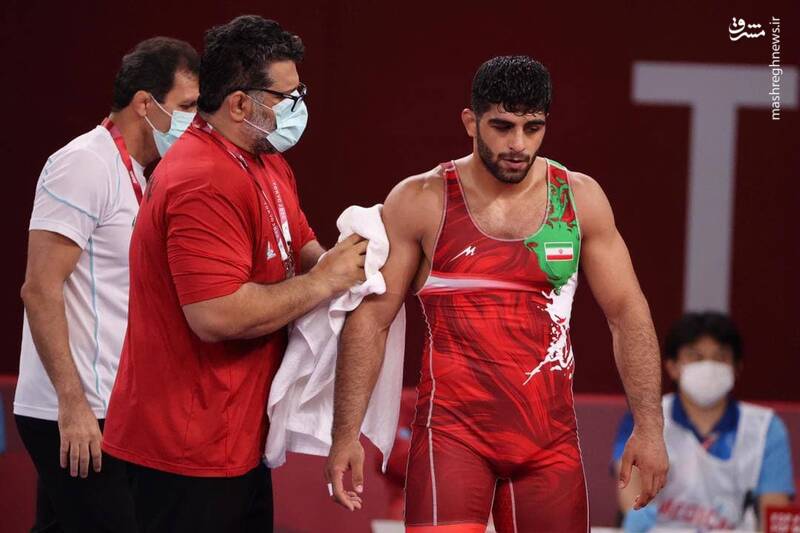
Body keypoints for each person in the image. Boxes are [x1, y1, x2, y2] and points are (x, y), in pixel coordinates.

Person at [326, 55, 669, 532]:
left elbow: (627, 313)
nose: (518, 144)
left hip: (549, 443)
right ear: (471, 122)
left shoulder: (579, 199)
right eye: (502, 126)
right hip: (451, 437)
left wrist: (649, 427)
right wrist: (345, 434)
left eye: (533, 128)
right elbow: (372, 320)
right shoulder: (422, 200)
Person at [102, 15, 367, 533]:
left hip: (237, 438)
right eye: (286, 97)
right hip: (183, 450)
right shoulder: (201, 178)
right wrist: (325, 282)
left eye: (301, 93)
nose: (298, 107)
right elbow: (216, 315)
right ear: (241, 104)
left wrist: (364, 259)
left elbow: (303, 251)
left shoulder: (265, 160)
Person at [14, 37, 199, 532]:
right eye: (186, 106)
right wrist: (72, 406)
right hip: (79, 408)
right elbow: (40, 288)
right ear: (144, 103)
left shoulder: (141, 175)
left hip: (114, 407)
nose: (195, 120)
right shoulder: (84, 163)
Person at [613, 311, 796, 532]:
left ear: (736, 368)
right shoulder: (643, 418)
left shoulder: (765, 429)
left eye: (720, 357)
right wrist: (637, 520)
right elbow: (629, 491)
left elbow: (774, 516)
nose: (708, 366)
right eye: (695, 357)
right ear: (672, 367)